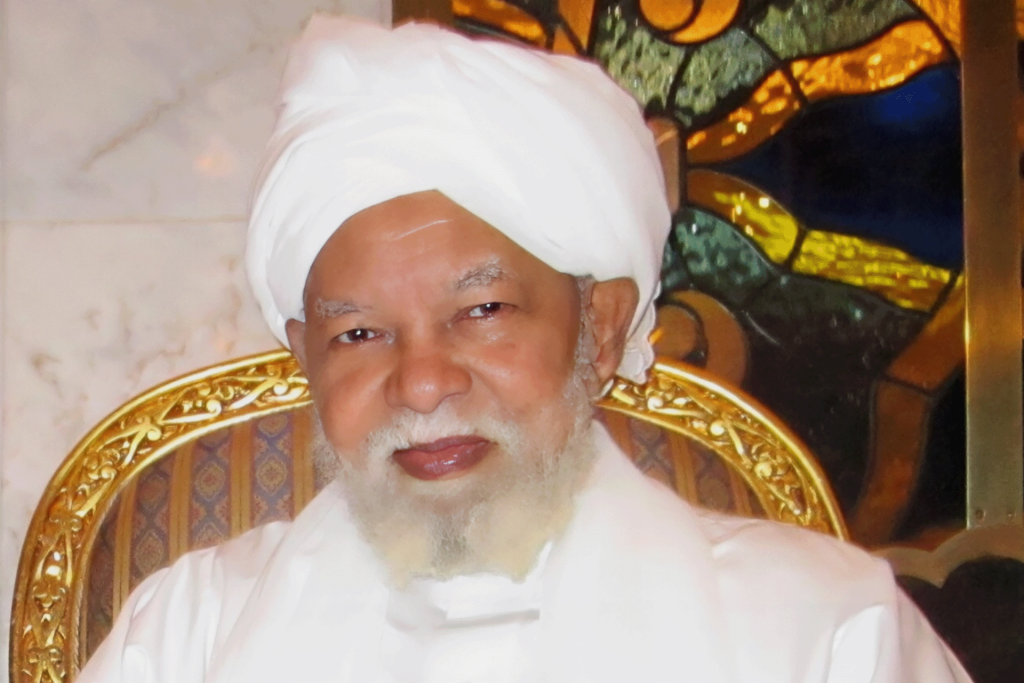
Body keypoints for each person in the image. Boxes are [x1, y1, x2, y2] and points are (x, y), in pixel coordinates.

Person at [77, 14, 971, 683]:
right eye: (360, 333)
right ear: (308, 358)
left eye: (482, 310)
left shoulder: (820, 631)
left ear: (600, 328)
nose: (422, 384)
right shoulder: (189, 635)